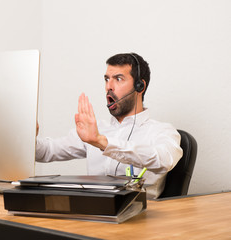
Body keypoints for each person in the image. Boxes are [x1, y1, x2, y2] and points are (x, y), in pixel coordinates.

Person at [36, 53, 183, 199]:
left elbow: (164, 160)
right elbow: (46, 152)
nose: (109, 87)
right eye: (107, 79)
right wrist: (27, 134)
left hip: (140, 216)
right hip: (94, 212)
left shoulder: (162, 131)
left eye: (118, 79)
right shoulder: (95, 129)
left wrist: (101, 142)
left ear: (140, 86)